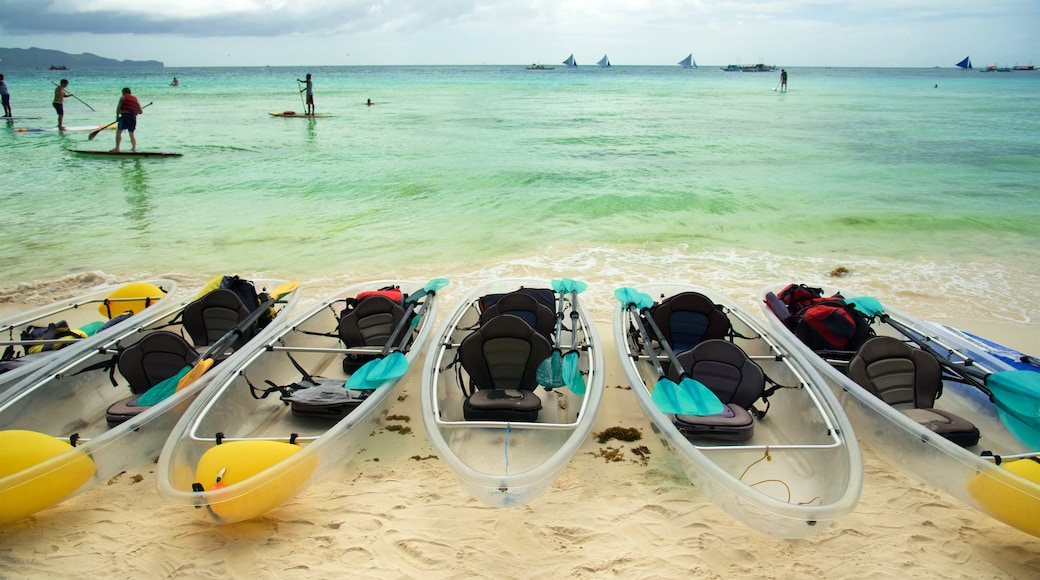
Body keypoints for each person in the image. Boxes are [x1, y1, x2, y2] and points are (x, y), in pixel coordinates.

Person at [111, 87, 143, 152]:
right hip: (133, 117)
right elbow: (140, 112)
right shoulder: (135, 99)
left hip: (125, 116)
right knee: (131, 133)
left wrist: (117, 116)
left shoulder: (123, 97)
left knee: (119, 132)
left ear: (124, 92)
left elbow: (118, 108)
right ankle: (133, 148)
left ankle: (117, 148)